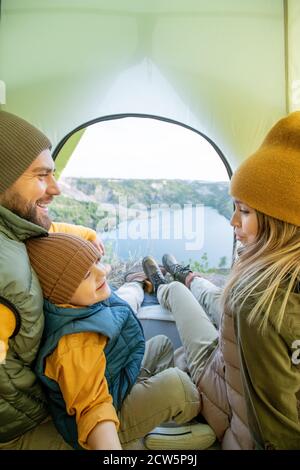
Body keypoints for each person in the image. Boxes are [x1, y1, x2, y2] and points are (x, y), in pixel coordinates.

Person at [142, 111, 300, 450]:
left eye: (243, 211)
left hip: (217, 387)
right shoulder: (273, 282)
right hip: (229, 362)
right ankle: (188, 276)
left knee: (184, 301)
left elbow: (273, 436)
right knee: (212, 294)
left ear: (281, 222)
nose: (232, 222)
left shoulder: (257, 300)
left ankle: (163, 284)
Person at [0, 111, 115, 449]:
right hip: (27, 423)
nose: (56, 188)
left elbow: (42, 231)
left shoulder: (12, 230)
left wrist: (86, 236)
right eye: (41, 176)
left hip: (39, 399)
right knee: (182, 392)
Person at [25, 232, 200, 450]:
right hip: (105, 413)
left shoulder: (80, 303)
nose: (102, 273)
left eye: (97, 262)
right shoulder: (75, 347)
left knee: (162, 344)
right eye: (86, 274)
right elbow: (94, 410)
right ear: (60, 292)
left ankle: (150, 422)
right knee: (180, 388)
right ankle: (158, 433)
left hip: (113, 378)